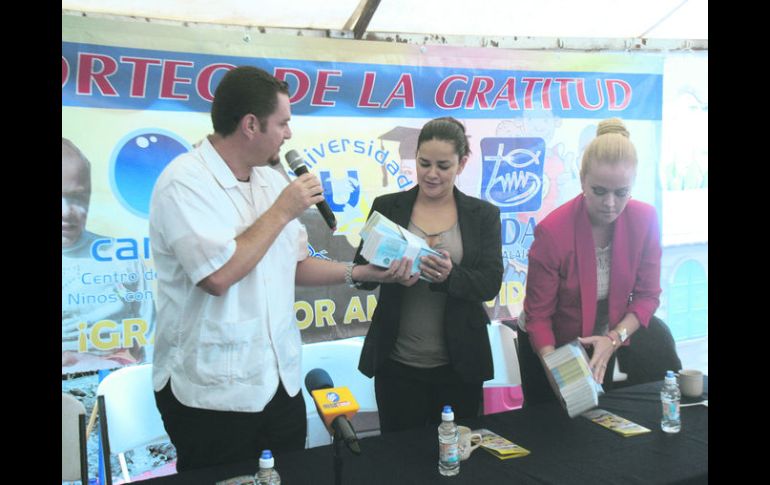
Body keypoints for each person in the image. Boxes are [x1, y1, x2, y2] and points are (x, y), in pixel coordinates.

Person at [148, 66, 403, 471]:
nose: (289, 135)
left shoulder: (269, 180)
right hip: (213, 394)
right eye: (283, 123)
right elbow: (218, 276)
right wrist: (284, 209)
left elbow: (295, 265)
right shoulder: (184, 182)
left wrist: (358, 274)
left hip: (278, 383)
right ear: (251, 124)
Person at [353, 117, 504, 432]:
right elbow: (361, 274)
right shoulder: (387, 206)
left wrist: (451, 275)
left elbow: (490, 283)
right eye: (424, 163)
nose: (431, 174)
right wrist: (386, 274)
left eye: (443, 166)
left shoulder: (483, 215)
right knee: (399, 457)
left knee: (455, 452)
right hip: (397, 364)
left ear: (461, 164)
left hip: (460, 365)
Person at [517, 118, 662, 406]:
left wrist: (612, 339)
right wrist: (554, 368)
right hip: (549, 344)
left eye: (621, 193)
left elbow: (647, 297)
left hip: (602, 343)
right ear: (582, 179)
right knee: (551, 430)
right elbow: (539, 317)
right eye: (599, 191)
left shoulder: (645, 220)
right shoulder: (553, 232)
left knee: (598, 428)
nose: (610, 203)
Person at [62, 138, 154, 373]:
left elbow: (151, 335)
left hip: (123, 382)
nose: (66, 212)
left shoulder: (120, 254)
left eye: (78, 197)